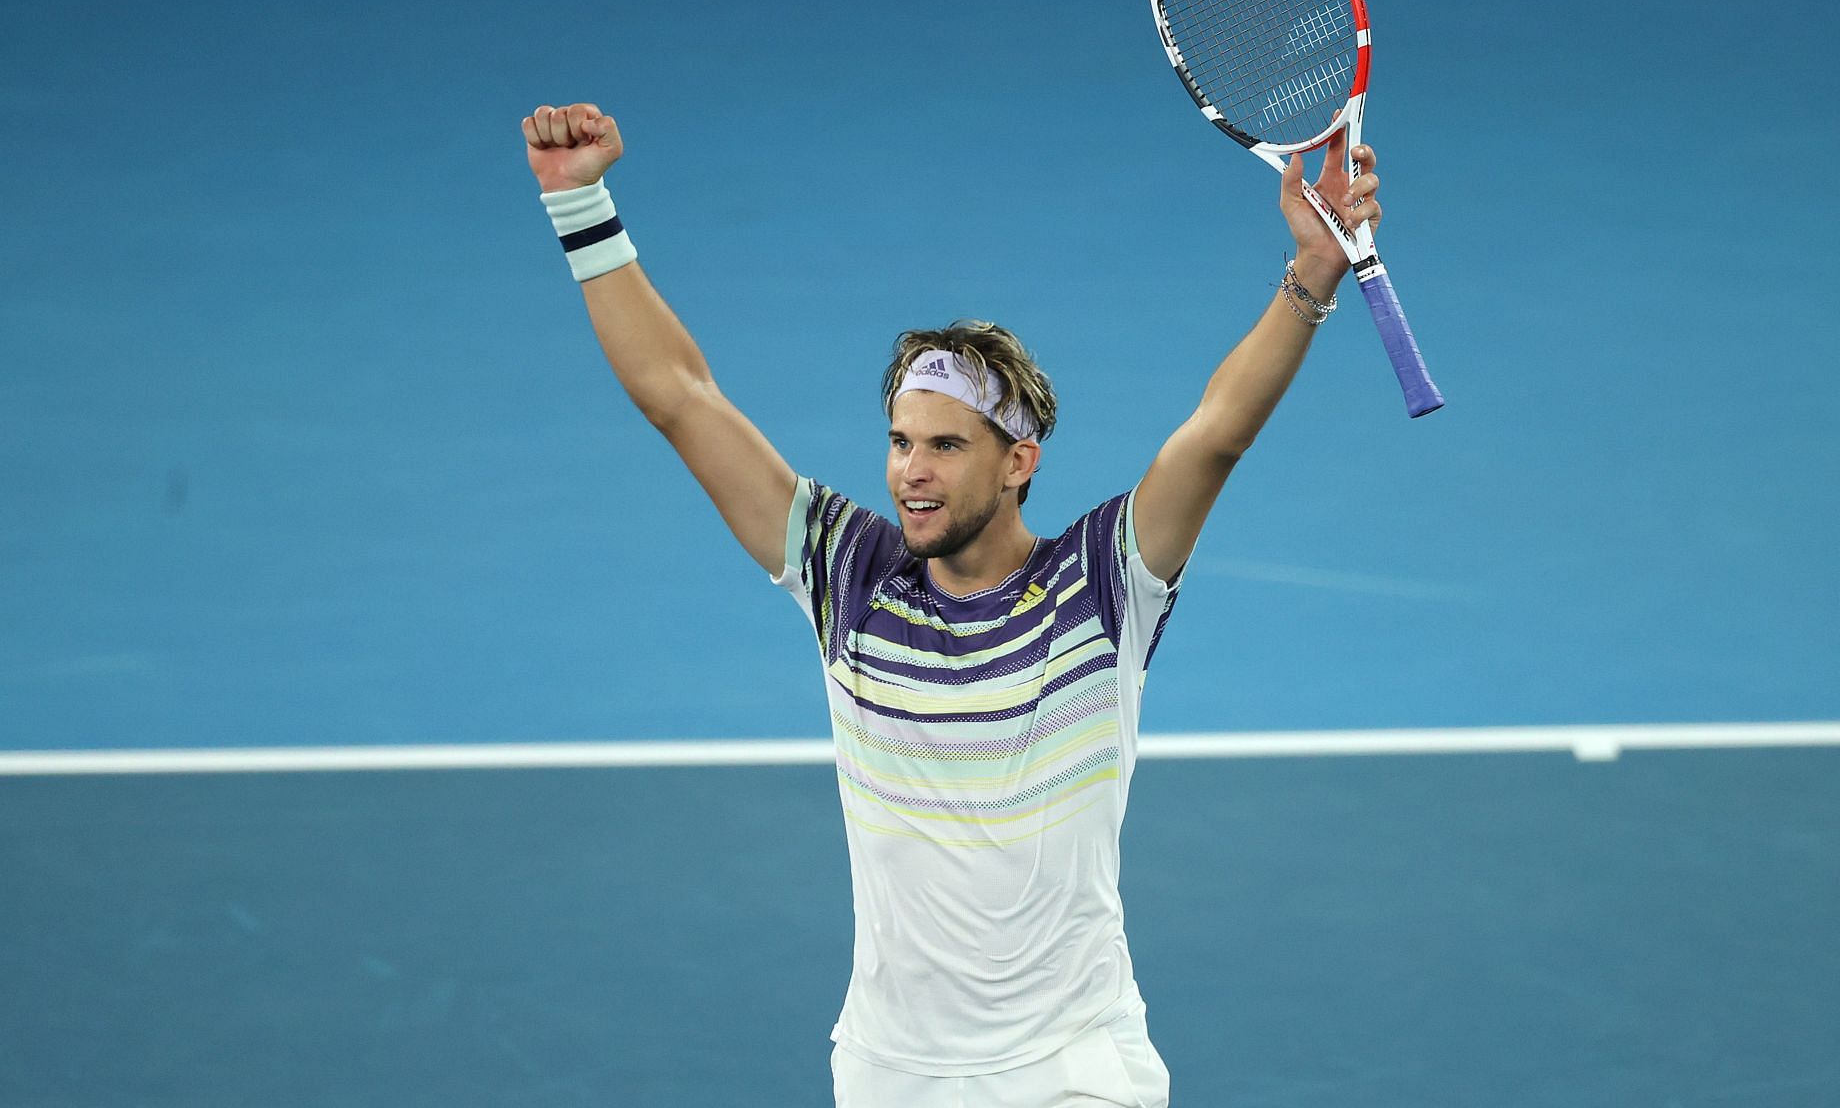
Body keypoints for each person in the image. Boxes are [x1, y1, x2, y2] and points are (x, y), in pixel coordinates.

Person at [523, 101, 1383, 1108]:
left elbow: (1215, 432)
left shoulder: (1101, 585)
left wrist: (1309, 280)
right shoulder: (848, 575)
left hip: (1074, 1068)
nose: (910, 474)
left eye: (945, 445)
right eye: (900, 441)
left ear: (1019, 462)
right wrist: (580, 201)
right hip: (896, 1074)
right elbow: (682, 397)